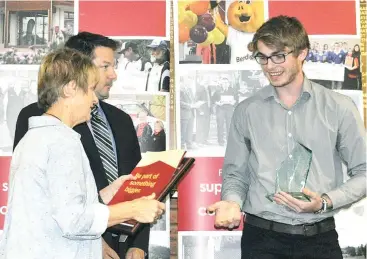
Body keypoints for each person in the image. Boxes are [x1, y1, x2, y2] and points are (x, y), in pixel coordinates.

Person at [207, 15, 366, 259]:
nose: (270, 66)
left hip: (319, 240)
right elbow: (235, 173)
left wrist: (325, 201)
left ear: (302, 53)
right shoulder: (247, 110)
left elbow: (364, 171)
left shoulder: (339, 108)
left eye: (278, 56)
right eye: (263, 57)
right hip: (261, 240)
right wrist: (231, 202)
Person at [0, 48, 165, 259]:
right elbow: (73, 219)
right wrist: (132, 209)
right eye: (89, 90)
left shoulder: (36, 137)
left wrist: (107, 193)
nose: (94, 101)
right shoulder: (61, 141)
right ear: (70, 89)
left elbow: (57, 203)